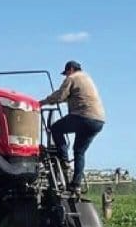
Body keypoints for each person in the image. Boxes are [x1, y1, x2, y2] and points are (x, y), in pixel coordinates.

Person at [39, 60, 106, 194]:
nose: (65, 76)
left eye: (66, 73)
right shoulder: (87, 78)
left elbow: (60, 95)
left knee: (55, 128)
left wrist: (42, 102)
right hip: (98, 121)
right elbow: (68, 97)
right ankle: (76, 185)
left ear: (70, 69)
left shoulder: (72, 78)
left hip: (83, 117)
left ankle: (63, 159)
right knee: (79, 152)